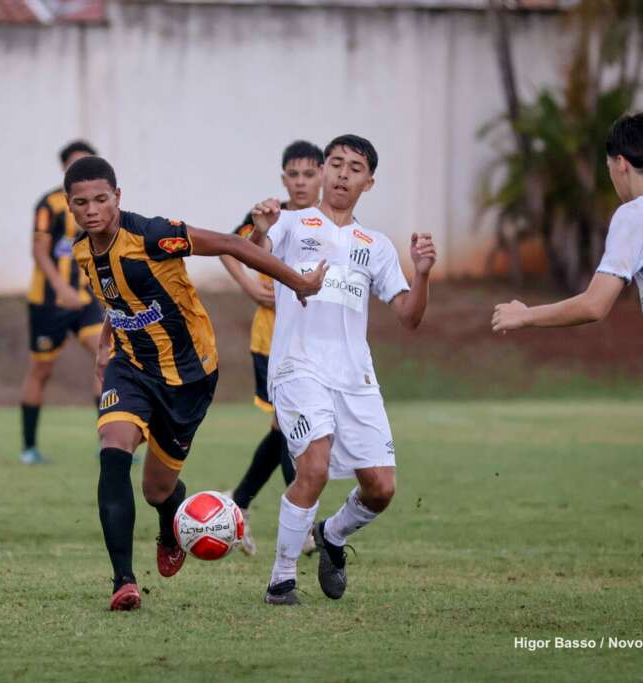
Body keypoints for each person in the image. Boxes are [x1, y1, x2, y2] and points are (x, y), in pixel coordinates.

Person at [67, 156, 327, 610]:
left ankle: (170, 524)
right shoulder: (81, 250)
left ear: (118, 198)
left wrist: (297, 283)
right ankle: (123, 582)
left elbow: (230, 243)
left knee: (157, 490)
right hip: (129, 368)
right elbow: (115, 297)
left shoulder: (152, 234)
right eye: (81, 202)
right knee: (113, 452)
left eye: (101, 200)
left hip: (188, 376)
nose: (91, 210)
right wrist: (107, 341)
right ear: (70, 206)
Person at [492, 112, 643, 543]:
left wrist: (526, 314)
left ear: (620, 163)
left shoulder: (635, 215)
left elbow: (595, 304)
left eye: (610, 170)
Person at [248, 134, 438, 605]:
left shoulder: (375, 245)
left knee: (381, 488)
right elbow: (258, 259)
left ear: (368, 182)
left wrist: (424, 273)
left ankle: (331, 535)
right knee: (312, 464)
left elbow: (409, 316)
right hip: (298, 369)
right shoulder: (292, 223)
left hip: (356, 379)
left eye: (354, 168)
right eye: (335, 164)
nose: (342, 174)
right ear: (323, 171)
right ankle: (281, 579)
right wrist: (259, 230)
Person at [220, 140, 324, 556]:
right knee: (290, 432)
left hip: (316, 341)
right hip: (272, 341)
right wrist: (248, 285)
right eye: (293, 175)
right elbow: (230, 247)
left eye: (308, 174)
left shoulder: (329, 221)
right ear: (284, 178)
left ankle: (237, 506)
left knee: (287, 430)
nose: (300, 182)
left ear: (322, 176)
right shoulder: (269, 215)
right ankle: (306, 526)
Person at [19, 140, 105, 465]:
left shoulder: (98, 206)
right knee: (41, 369)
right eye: (76, 164)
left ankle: (108, 442)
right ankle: (29, 447)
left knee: (107, 358)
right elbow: (40, 250)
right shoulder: (50, 204)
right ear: (65, 168)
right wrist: (60, 288)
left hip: (84, 300)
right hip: (48, 303)